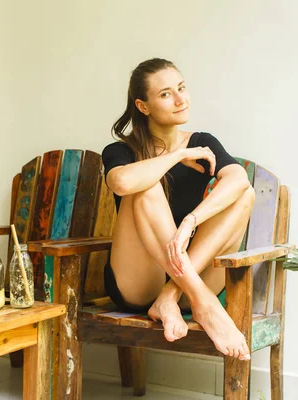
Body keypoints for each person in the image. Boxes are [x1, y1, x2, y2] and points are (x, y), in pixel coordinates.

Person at [102, 58, 254, 361]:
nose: (180, 99)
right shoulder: (122, 150)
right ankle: (205, 304)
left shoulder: (204, 142)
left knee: (244, 193)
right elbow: (120, 182)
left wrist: (191, 221)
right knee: (144, 185)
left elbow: (238, 180)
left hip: (190, 273)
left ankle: (170, 296)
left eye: (182, 88)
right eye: (166, 94)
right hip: (138, 281)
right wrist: (178, 155)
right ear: (143, 106)